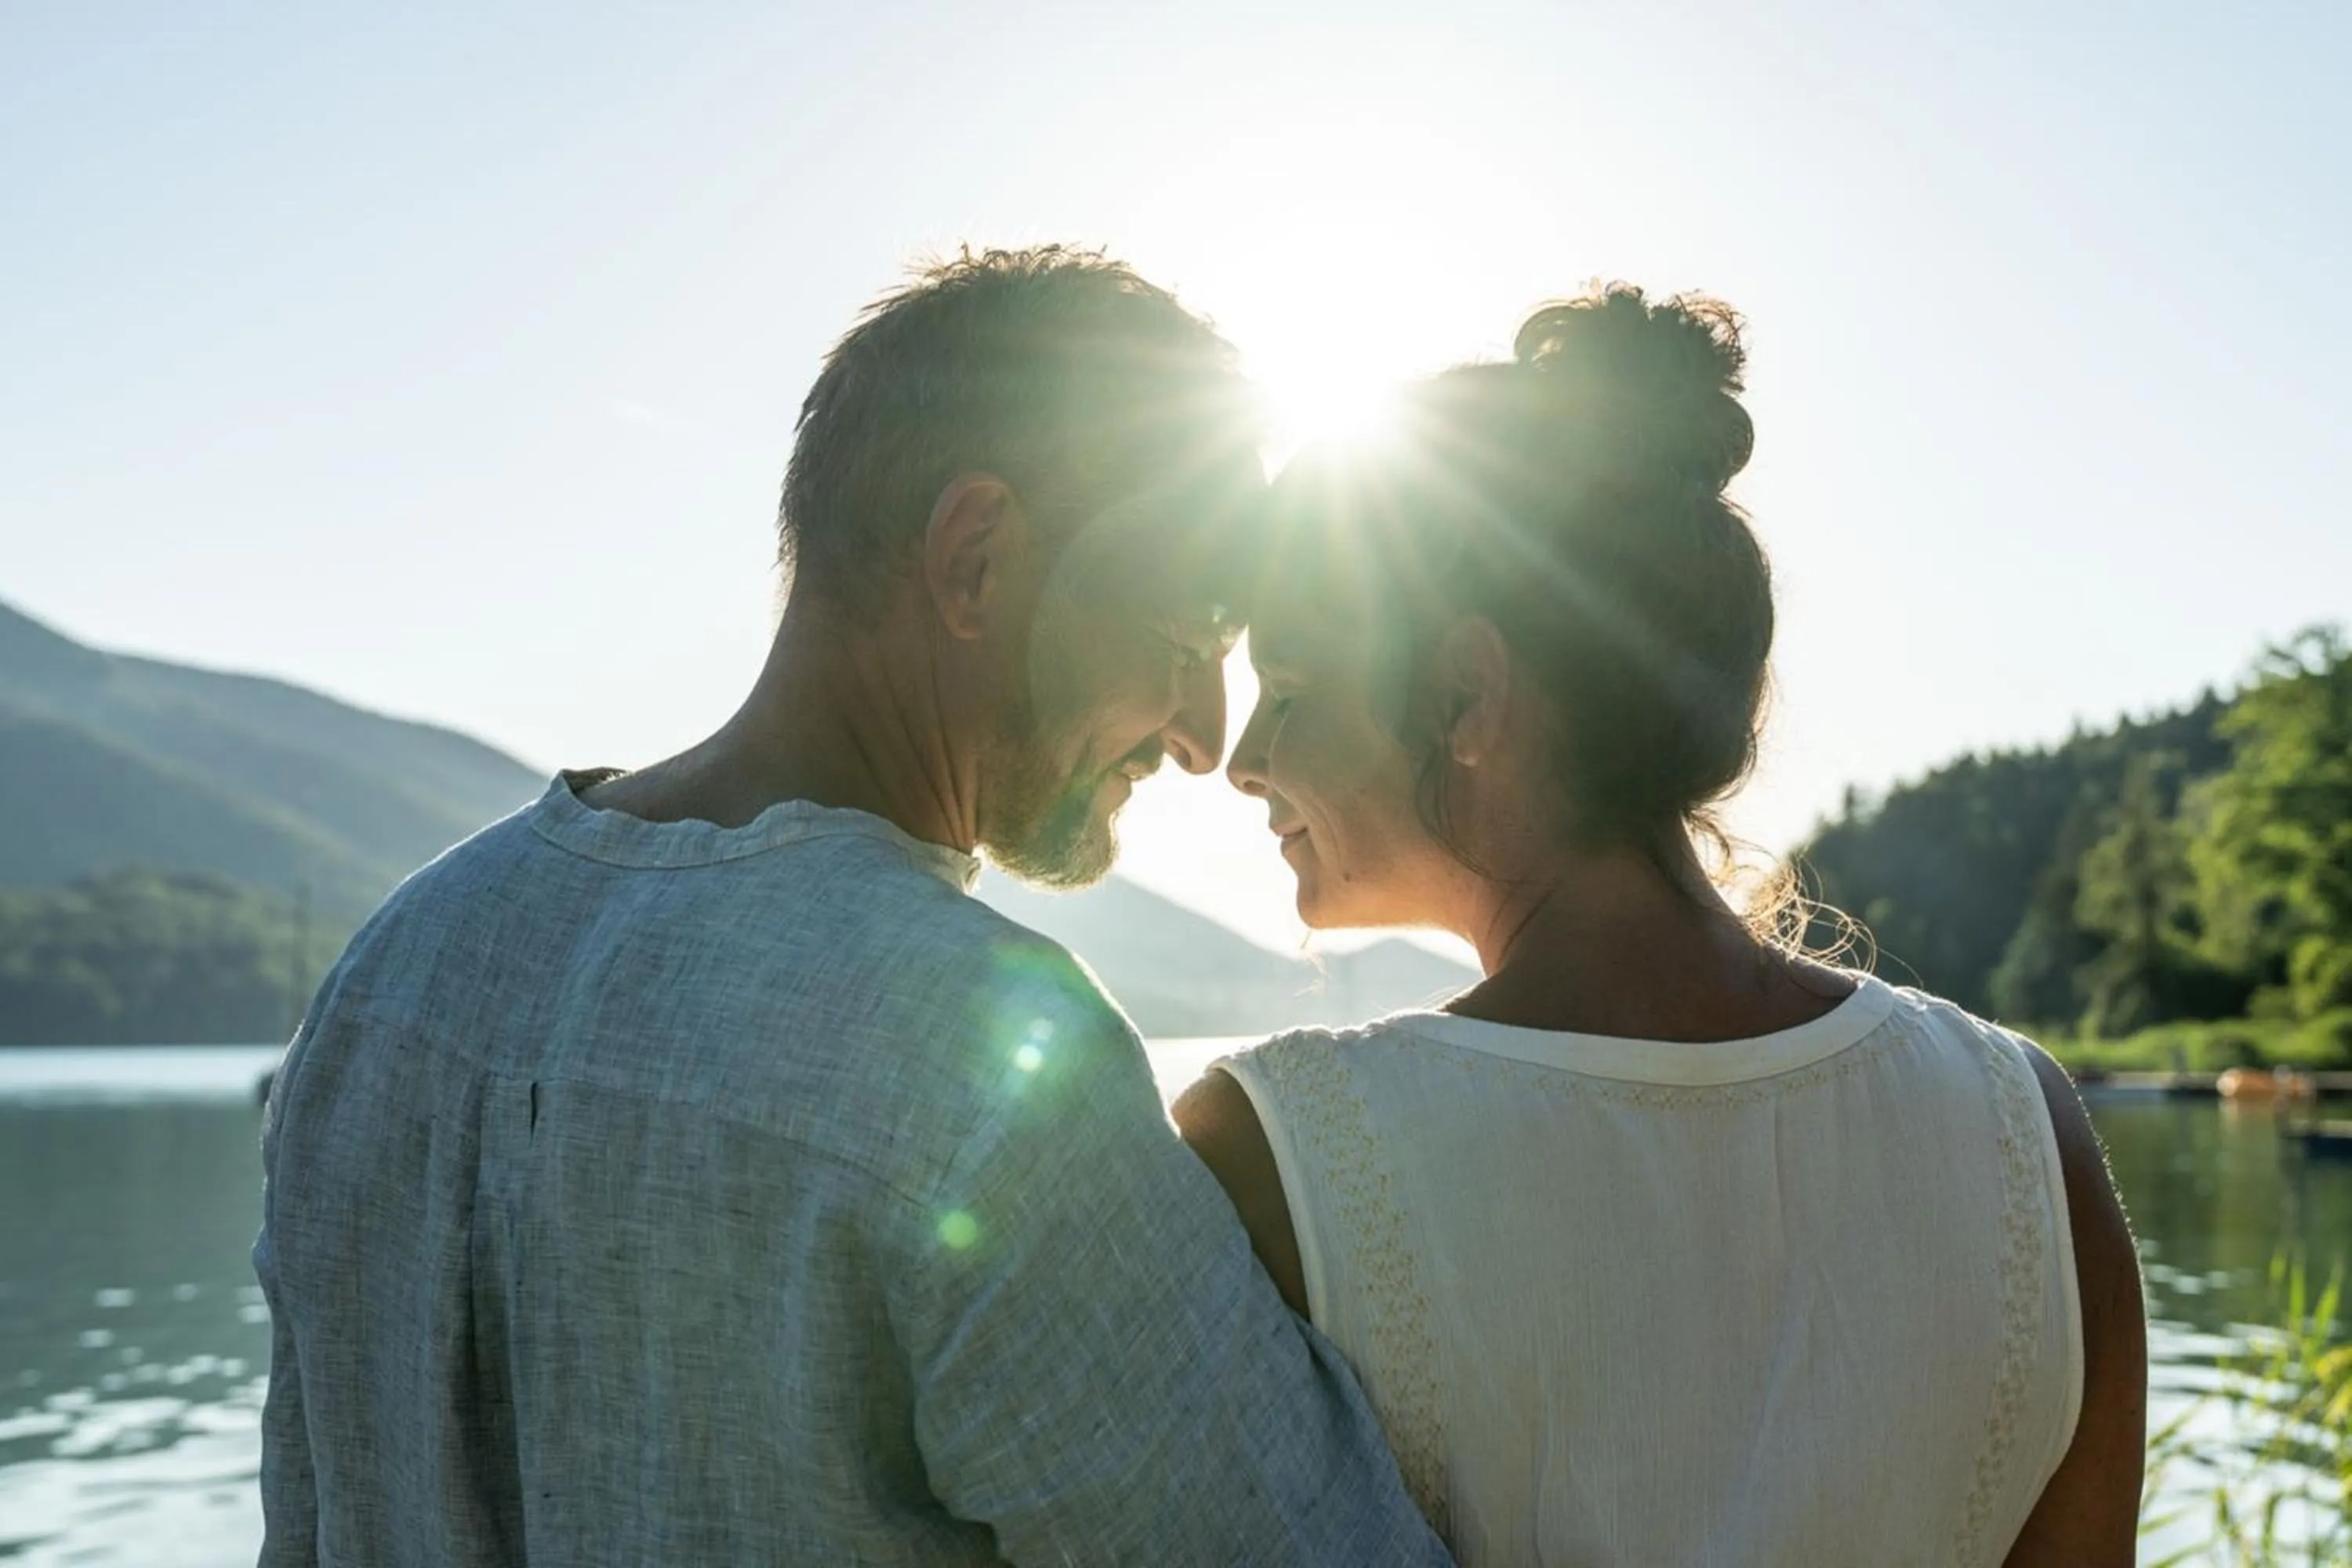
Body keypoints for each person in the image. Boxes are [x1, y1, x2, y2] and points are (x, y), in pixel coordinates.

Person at [253, 246, 1449, 1566]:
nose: (1202, 734)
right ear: (977, 561)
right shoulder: (976, 1061)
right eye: (1182, 629)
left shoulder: (389, 976)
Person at [1174, 284, 2146, 1566]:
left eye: (1290, 688)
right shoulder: (2027, 1128)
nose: (1244, 759)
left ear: (1469, 692)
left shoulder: (1281, 1155)